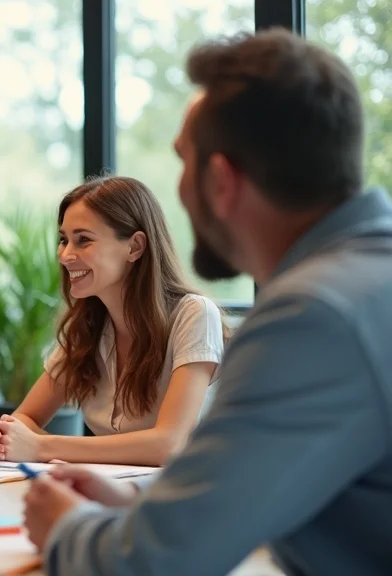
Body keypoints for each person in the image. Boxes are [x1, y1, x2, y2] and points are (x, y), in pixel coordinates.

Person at [23, 29, 392, 575]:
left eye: (182, 161)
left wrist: (67, 529)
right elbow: (283, 489)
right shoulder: (365, 283)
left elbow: (156, 564)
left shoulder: (311, 316)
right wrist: (147, 507)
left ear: (220, 179)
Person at [0, 176, 225, 466]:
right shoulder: (86, 328)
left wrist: (40, 447)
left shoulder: (194, 315)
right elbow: (25, 418)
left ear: (135, 247)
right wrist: (6, 437)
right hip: (113, 496)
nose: (65, 255)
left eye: (83, 240)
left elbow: (169, 444)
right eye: (63, 240)